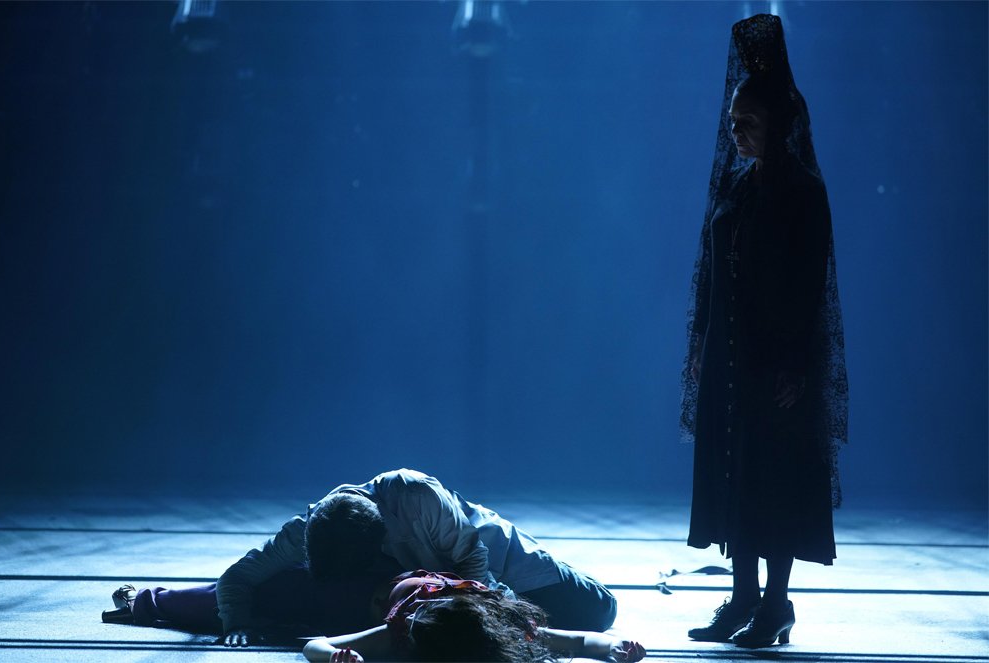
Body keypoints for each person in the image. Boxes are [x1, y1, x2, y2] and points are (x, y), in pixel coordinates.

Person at [679, 14, 849, 649]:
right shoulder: (737, 184)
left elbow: (811, 286)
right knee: (735, 472)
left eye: (748, 121)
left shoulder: (802, 191)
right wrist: (701, 339)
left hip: (774, 360)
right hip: (731, 355)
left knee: (773, 476)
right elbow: (710, 265)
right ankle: (742, 598)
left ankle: (776, 604)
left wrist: (797, 363)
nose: (737, 131)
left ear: (778, 122)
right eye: (732, 122)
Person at [102, 468, 617, 647]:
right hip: (417, 581)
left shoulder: (415, 496)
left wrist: (486, 607)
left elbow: (473, 560)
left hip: (495, 560)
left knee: (598, 611)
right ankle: (150, 600)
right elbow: (240, 576)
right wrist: (236, 622)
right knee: (280, 591)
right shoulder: (307, 529)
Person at [302, 570, 645, 663]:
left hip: (450, 584)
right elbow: (314, 645)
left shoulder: (503, 627)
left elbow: (581, 640)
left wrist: (614, 648)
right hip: (383, 585)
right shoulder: (403, 628)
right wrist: (336, 654)